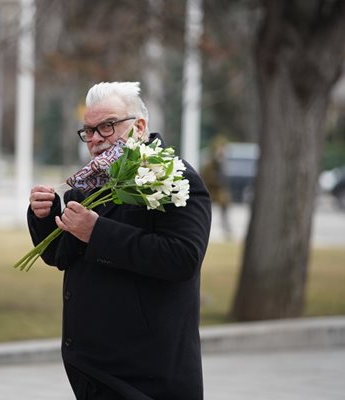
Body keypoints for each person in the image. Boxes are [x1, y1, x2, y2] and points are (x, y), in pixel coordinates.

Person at [27, 81, 211, 400]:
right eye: (88, 130)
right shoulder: (90, 182)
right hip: (91, 370)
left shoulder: (175, 178)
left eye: (107, 126)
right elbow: (61, 255)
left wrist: (97, 232)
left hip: (147, 376)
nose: (96, 139)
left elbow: (183, 258)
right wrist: (45, 216)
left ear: (139, 126)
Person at [201, 135, 232, 240]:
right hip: (209, 190)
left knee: (225, 207)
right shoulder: (210, 163)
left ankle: (227, 229)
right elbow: (206, 177)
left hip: (218, 191)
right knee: (204, 212)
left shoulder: (221, 162)